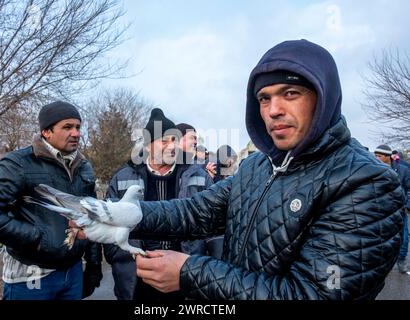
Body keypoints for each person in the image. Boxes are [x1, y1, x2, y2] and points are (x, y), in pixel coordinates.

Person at [127, 39, 405, 299]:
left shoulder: (366, 183)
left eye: (291, 93)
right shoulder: (257, 166)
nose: (273, 110)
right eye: (264, 98)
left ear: (323, 98)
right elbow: (195, 212)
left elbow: (312, 293)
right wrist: (116, 213)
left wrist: (190, 273)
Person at [0, 101, 102, 300]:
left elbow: (91, 218)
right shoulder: (18, 163)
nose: (76, 133)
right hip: (31, 276)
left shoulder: (83, 166)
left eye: (77, 127)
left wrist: (94, 265)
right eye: (67, 127)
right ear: (46, 132)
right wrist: (37, 238)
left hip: (73, 272)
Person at [102, 108, 213, 301]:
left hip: (185, 276)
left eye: (175, 140)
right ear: (147, 146)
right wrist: (124, 262)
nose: (172, 146)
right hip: (138, 280)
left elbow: (214, 228)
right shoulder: (122, 178)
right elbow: (109, 226)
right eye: (164, 141)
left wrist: (202, 267)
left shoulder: (198, 176)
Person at [375, 144, 410, 273]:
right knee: (381, 237)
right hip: (380, 211)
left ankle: (401, 260)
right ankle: (383, 263)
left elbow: (409, 188)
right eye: (376, 155)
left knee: (404, 237)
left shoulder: (403, 170)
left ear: (387, 156)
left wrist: (407, 205)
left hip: (400, 210)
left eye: (379, 156)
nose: (376, 158)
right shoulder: (373, 169)